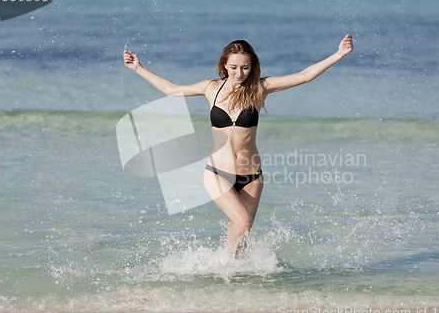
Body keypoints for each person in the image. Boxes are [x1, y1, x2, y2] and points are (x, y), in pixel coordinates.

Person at [123, 34, 353, 257]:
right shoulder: (210, 88)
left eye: (245, 67)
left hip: (251, 176)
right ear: (224, 65)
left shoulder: (260, 88)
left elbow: (304, 75)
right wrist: (139, 68)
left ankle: (231, 278)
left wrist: (338, 54)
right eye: (233, 67)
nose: (239, 73)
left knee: (242, 238)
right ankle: (224, 267)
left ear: (252, 66)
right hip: (217, 172)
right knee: (241, 221)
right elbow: (171, 90)